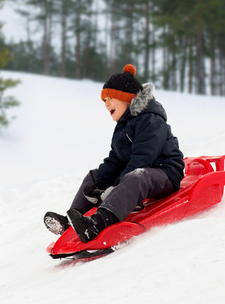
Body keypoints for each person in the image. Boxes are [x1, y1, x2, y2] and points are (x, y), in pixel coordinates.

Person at [44, 64, 185, 243]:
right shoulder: (122, 126)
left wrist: (115, 187)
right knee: (95, 175)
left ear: (126, 98)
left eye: (110, 98)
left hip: (165, 173)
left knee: (136, 176)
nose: (106, 104)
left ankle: (97, 223)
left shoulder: (151, 120)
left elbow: (143, 158)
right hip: (137, 173)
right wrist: (100, 185)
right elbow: (115, 159)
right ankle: (73, 220)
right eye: (104, 100)